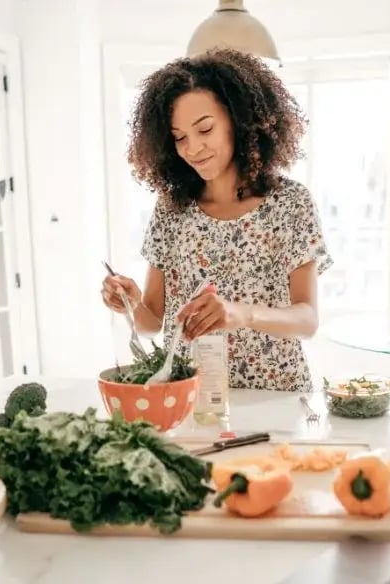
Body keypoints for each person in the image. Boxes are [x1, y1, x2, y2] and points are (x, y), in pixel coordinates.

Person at [101, 48, 333, 392]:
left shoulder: (290, 204)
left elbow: (307, 320)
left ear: (238, 120)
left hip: (275, 396)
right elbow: (153, 321)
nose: (192, 148)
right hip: (191, 397)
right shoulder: (171, 210)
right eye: (180, 137)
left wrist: (241, 313)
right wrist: (131, 303)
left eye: (205, 129)